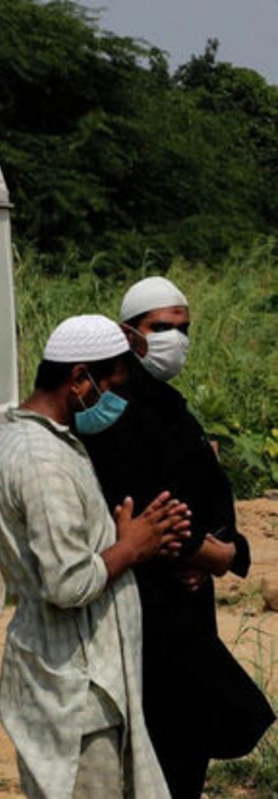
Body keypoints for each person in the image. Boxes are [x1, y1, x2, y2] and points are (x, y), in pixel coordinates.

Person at [77, 276, 274, 798]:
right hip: (148, 603)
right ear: (129, 333)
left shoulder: (170, 406)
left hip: (188, 598)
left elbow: (210, 491)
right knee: (158, 739)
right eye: (161, 327)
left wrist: (218, 549)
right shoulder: (114, 410)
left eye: (183, 328)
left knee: (187, 742)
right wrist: (211, 553)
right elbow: (142, 504)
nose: (175, 339)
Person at [0, 314, 190, 799]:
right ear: (79, 380)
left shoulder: (45, 442)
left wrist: (116, 538)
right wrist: (132, 546)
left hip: (83, 686)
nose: (115, 400)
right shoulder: (41, 461)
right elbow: (68, 582)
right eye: (110, 386)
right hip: (75, 694)